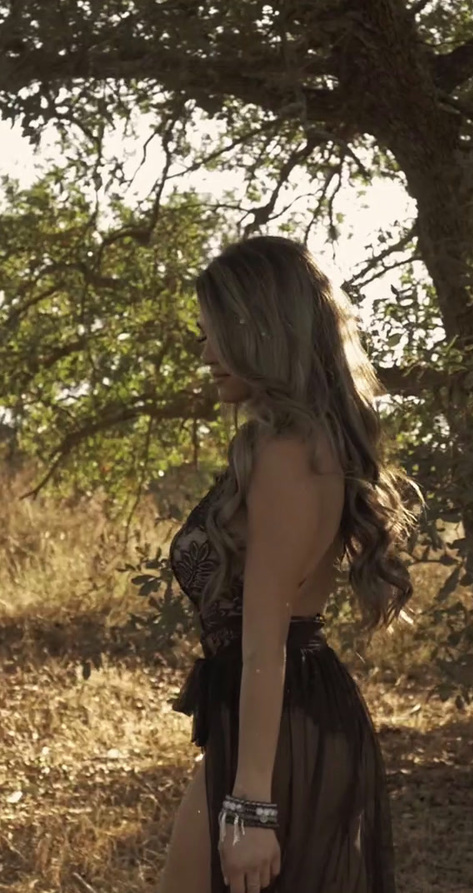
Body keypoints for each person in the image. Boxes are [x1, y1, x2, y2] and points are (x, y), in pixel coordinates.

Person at [156, 236, 418, 893]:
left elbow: (264, 644)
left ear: (264, 330)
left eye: (218, 333)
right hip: (282, 718)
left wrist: (251, 806)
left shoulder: (288, 452)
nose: (206, 353)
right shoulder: (297, 444)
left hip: (284, 727)